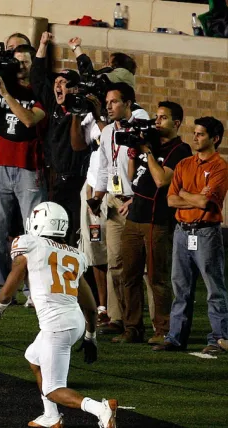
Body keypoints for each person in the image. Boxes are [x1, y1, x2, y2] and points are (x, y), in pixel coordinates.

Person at [0, 202, 118, 428]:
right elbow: (89, 303)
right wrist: (90, 335)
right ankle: (51, 416)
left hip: (56, 326)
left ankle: (100, 408)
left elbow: (13, 280)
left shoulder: (30, 244)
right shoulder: (74, 254)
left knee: (53, 389)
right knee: (33, 358)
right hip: (76, 321)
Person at [116, 101, 191, 345]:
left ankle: (163, 330)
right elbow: (132, 178)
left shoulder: (180, 149)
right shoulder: (150, 144)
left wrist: (147, 151)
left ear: (176, 123)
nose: (157, 122)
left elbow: (161, 180)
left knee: (157, 278)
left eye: (163, 118)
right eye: (156, 118)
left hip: (156, 220)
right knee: (129, 275)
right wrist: (133, 153)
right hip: (135, 216)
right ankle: (132, 329)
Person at [156, 117, 228, 356]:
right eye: (195, 133)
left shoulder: (220, 167)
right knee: (181, 287)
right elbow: (170, 199)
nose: (195, 137)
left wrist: (185, 195)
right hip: (182, 232)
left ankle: (219, 338)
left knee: (214, 288)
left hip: (207, 233)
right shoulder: (184, 164)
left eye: (200, 134)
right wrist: (192, 196)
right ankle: (175, 338)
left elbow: (206, 202)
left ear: (214, 139)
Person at [0, 44, 46, 305]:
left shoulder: (41, 89)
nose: (20, 66)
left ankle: (34, 289)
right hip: (0, 165)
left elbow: (30, 120)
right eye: (17, 61)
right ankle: (2, 286)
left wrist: (6, 95)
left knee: (34, 233)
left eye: (25, 61)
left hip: (28, 168)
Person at [90, 82, 143, 337]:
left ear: (128, 104)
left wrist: (138, 198)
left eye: (114, 102)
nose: (108, 106)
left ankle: (155, 324)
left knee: (141, 268)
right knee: (114, 263)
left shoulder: (141, 126)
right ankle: (117, 317)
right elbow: (104, 167)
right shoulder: (109, 131)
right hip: (113, 200)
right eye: (107, 102)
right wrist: (96, 196)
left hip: (135, 201)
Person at [31, 32, 91, 247]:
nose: (58, 85)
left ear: (75, 88)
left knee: (75, 233)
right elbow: (37, 79)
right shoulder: (54, 105)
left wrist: (77, 50)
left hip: (77, 181)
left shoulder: (83, 109)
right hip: (53, 179)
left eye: (64, 82)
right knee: (52, 232)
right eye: (56, 81)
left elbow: (88, 75)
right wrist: (42, 45)